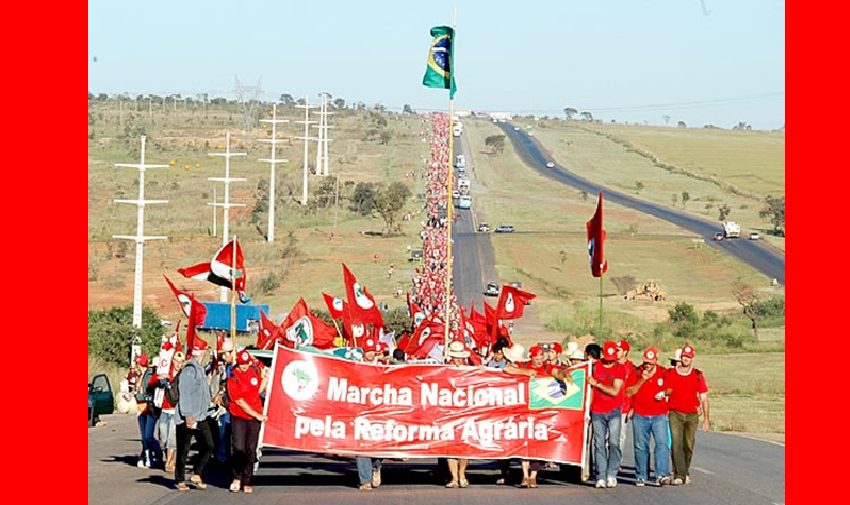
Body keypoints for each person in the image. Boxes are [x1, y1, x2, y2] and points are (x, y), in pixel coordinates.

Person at [624, 346, 671, 487]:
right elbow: (629, 391)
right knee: (640, 446)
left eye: (650, 363)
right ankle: (641, 475)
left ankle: (661, 474)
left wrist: (663, 393)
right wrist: (642, 380)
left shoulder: (663, 372)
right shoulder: (636, 372)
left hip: (659, 414)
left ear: (656, 361)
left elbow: (670, 388)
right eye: (646, 362)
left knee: (662, 444)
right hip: (640, 414)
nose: (648, 366)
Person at [665, 344, 710, 486]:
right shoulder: (671, 373)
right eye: (684, 356)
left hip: (691, 414)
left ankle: (685, 470)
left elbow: (704, 397)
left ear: (692, 359)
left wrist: (706, 419)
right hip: (675, 413)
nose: (686, 359)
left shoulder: (697, 375)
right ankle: (679, 474)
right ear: (681, 357)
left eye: (689, 357)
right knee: (676, 443)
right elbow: (665, 391)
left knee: (688, 444)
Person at [227, 349, 268, 494]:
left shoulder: (255, 372)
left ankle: (247, 480)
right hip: (239, 416)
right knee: (239, 448)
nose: (244, 366)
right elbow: (239, 401)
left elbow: (258, 390)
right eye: (242, 364)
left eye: (246, 364)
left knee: (251, 449)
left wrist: (266, 379)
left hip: (254, 418)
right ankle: (237, 477)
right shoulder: (233, 377)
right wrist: (256, 414)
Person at [175, 347, 215, 491]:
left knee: (208, 446)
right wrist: (187, 414)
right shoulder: (189, 370)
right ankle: (180, 480)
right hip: (188, 416)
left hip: (201, 415)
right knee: (183, 449)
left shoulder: (200, 369)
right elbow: (184, 393)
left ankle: (197, 473)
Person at [588, 341, 627, 488]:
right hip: (597, 410)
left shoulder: (620, 368)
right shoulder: (595, 366)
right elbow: (589, 388)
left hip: (614, 410)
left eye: (612, 358)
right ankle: (601, 475)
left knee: (614, 443)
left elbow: (615, 391)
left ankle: (612, 473)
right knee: (599, 444)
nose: (610, 361)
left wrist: (597, 384)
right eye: (608, 358)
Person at [356, 338, 383, 491]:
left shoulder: (381, 368)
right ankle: (365, 480)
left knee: (377, 447)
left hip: (378, 411)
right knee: (361, 446)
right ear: (364, 352)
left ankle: (376, 467)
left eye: (373, 351)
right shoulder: (356, 367)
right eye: (368, 351)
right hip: (361, 411)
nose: (371, 354)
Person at [444, 341, 471, 488]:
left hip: (465, 412)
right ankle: (454, 477)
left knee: (464, 447)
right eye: (455, 357)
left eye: (460, 357)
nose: (458, 360)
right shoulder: (445, 369)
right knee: (450, 448)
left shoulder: (469, 370)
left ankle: (462, 474)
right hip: (449, 413)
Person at [134, 355, 163, 469]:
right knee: (144, 436)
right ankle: (148, 457)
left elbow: (147, 393)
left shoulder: (149, 375)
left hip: (148, 408)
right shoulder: (142, 375)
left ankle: (157, 452)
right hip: (141, 408)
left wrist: (137, 395)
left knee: (147, 436)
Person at [158, 351, 185, 472]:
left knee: (172, 438)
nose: (179, 364)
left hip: (175, 410)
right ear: (173, 361)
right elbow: (155, 380)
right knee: (162, 438)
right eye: (177, 361)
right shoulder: (167, 373)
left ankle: (169, 462)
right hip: (164, 409)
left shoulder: (183, 375)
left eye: (181, 362)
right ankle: (168, 457)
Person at [616, 340, 637, 454]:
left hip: (624, 406)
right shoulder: (611, 364)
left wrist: (632, 407)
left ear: (625, 352)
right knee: (608, 437)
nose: (615, 352)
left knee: (621, 436)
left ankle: (617, 461)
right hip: (610, 406)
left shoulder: (631, 368)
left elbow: (633, 389)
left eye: (618, 350)